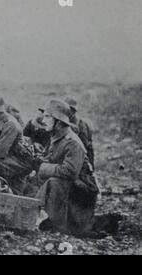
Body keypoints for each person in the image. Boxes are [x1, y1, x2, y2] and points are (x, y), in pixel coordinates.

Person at [34, 99, 99, 236]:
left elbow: (70, 172)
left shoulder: (72, 142)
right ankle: (38, 216)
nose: (43, 120)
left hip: (82, 193)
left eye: (47, 116)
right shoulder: (57, 137)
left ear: (58, 121)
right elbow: (51, 159)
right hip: (73, 187)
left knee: (54, 182)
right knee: (33, 178)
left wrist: (44, 168)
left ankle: (56, 225)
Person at [0, 94, 35, 195]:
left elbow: (0, 152)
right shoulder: (0, 121)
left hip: (21, 162)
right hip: (14, 159)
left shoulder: (10, 124)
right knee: (16, 193)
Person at [64, 97, 95, 170]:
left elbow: (85, 147)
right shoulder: (64, 121)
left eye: (70, 110)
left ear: (74, 111)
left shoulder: (81, 125)